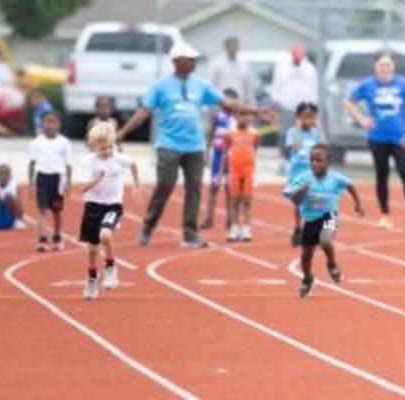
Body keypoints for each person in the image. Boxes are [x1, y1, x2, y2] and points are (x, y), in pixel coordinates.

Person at [118, 41, 272, 248]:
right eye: (189, 59)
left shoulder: (201, 84)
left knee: (195, 189)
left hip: (194, 146)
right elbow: (143, 111)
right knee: (165, 185)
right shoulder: (160, 86)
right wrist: (123, 132)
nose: (193, 62)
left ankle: (190, 233)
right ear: (176, 61)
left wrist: (254, 111)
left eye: (194, 59)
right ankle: (148, 226)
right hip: (168, 144)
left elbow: (227, 103)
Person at [284, 143, 364, 298]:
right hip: (310, 219)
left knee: (326, 240)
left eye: (319, 160)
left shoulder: (335, 178)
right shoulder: (303, 179)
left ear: (328, 162)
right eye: (312, 160)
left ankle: (332, 264)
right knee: (306, 255)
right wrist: (300, 191)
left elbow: (350, 185)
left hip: (329, 215)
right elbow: (293, 199)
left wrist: (357, 203)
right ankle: (307, 279)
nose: (314, 163)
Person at [343, 51, 405, 229]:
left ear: (393, 66)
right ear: (375, 67)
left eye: (388, 64)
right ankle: (385, 214)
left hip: (401, 137)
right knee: (382, 175)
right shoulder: (367, 85)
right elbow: (348, 102)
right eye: (381, 65)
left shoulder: (403, 84)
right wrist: (362, 119)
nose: (385, 68)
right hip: (377, 137)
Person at [80, 122, 140, 300]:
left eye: (109, 147)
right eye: (102, 148)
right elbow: (83, 188)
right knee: (92, 250)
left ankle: (110, 266)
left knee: (106, 235)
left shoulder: (118, 158)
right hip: (93, 206)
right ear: (93, 147)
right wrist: (95, 180)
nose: (107, 151)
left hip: (113, 204)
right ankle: (92, 278)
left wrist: (136, 185)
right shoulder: (88, 162)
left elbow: (133, 164)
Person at [28, 111, 72, 252]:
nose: (50, 125)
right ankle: (42, 239)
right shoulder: (36, 143)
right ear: (42, 124)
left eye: (54, 122)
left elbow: (68, 165)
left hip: (57, 179)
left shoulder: (64, 143)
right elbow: (31, 164)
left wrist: (68, 182)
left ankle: (57, 237)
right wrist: (30, 183)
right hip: (42, 178)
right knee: (42, 210)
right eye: (47, 121)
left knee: (57, 211)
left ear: (59, 124)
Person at [201, 88, 239, 229]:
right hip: (217, 154)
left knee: (230, 188)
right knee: (214, 186)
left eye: (231, 100)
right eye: (225, 100)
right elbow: (211, 134)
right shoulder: (217, 116)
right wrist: (207, 152)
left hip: (232, 156)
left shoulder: (238, 117)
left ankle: (230, 218)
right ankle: (209, 218)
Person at [272, 44, 318, 158]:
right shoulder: (282, 68)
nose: (297, 61)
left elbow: (314, 87)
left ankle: (304, 156)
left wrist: (313, 106)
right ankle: (284, 158)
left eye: (299, 59)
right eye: (295, 59)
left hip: (305, 107)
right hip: (287, 106)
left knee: (305, 131)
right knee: (285, 134)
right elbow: (277, 86)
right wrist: (276, 104)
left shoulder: (309, 68)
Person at [286, 102, 321, 247]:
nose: (308, 121)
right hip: (297, 174)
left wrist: (319, 128)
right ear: (298, 118)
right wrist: (298, 128)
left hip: (312, 173)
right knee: (298, 203)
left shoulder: (315, 133)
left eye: (311, 118)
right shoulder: (292, 132)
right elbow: (295, 146)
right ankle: (297, 228)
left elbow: (323, 148)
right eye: (305, 117)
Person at [225, 110, 258, 242]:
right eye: (241, 115)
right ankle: (234, 228)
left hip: (249, 170)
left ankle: (246, 229)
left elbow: (255, 149)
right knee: (234, 201)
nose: (244, 118)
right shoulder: (230, 133)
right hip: (234, 170)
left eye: (247, 115)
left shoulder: (254, 134)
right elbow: (227, 150)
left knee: (247, 200)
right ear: (236, 117)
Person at [208, 36, 253, 104]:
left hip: (239, 103)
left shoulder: (244, 65)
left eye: (236, 46)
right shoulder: (217, 64)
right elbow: (211, 84)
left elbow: (247, 87)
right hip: (222, 102)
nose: (234, 49)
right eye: (232, 46)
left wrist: (247, 101)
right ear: (226, 47)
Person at [0, 164, 27, 230]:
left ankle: (17, 221)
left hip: (10, 217)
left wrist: (20, 216)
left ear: (10, 175)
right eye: (1, 174)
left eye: (6, 174)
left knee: (9, 196)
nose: (3, 176)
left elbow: (19, 204)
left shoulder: (14, 185)